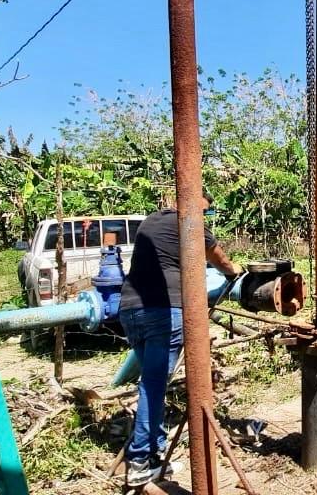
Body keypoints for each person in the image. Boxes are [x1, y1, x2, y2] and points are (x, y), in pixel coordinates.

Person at [117, 192, 242, 487]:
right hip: (165, 312)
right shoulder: (190, 224)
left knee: (152, 382)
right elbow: (219, 259)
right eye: (203, 210)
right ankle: (139, 462)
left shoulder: (150, 221)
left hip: (130, 310)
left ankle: (156, 454)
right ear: (188, 201)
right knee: (153, 385)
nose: (204, 215)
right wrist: (234, 271)